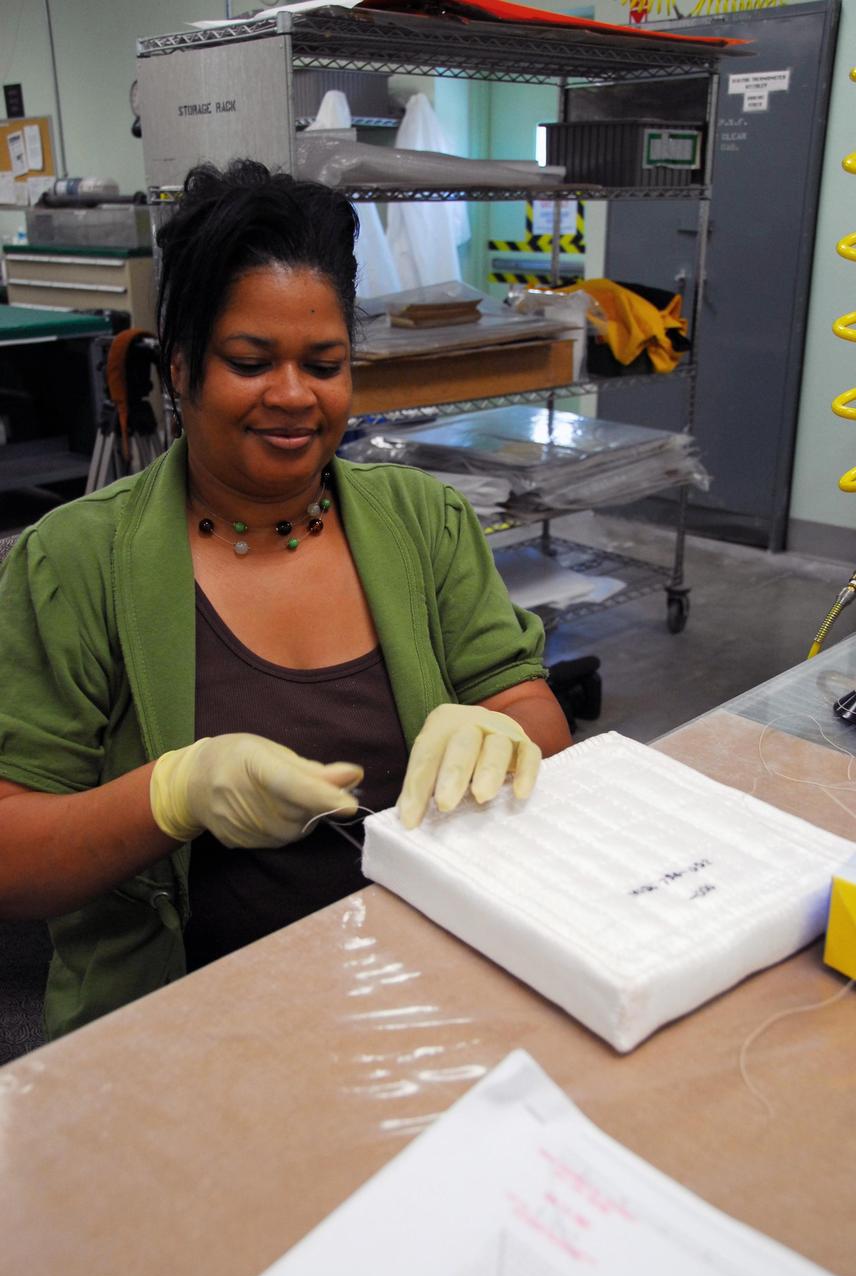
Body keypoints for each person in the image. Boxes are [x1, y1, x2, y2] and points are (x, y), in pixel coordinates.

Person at [0, 160, 572, 1039]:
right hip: (188, 1032)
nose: (296, 396)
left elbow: (530, 711)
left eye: (325, 363)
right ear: (181, 370)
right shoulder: (73, 562)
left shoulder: (423, 522)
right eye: (250, 361)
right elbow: (12, 855)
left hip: (425, 988)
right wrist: (171, 795)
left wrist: (505, 729)